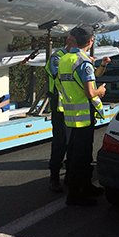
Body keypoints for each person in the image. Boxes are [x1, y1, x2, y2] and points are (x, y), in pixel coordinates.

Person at [58, 24, 107, 206]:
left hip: (71, 114)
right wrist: (100, 90)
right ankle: (75, 195)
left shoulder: (65, 59)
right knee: (82, 157)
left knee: (77, 155)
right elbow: (89, 93)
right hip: (84, 116)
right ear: (90, 41)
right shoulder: (83, 63)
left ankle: (85, 187)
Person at [44, 36, 75, 193]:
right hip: (61, 108)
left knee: (72, 144)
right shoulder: (57, 57)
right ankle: (54, 178)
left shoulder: (75, 58)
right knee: (60, 143)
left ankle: (69, 177)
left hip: (74, 108)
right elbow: (61, 77)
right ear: (69, 41)